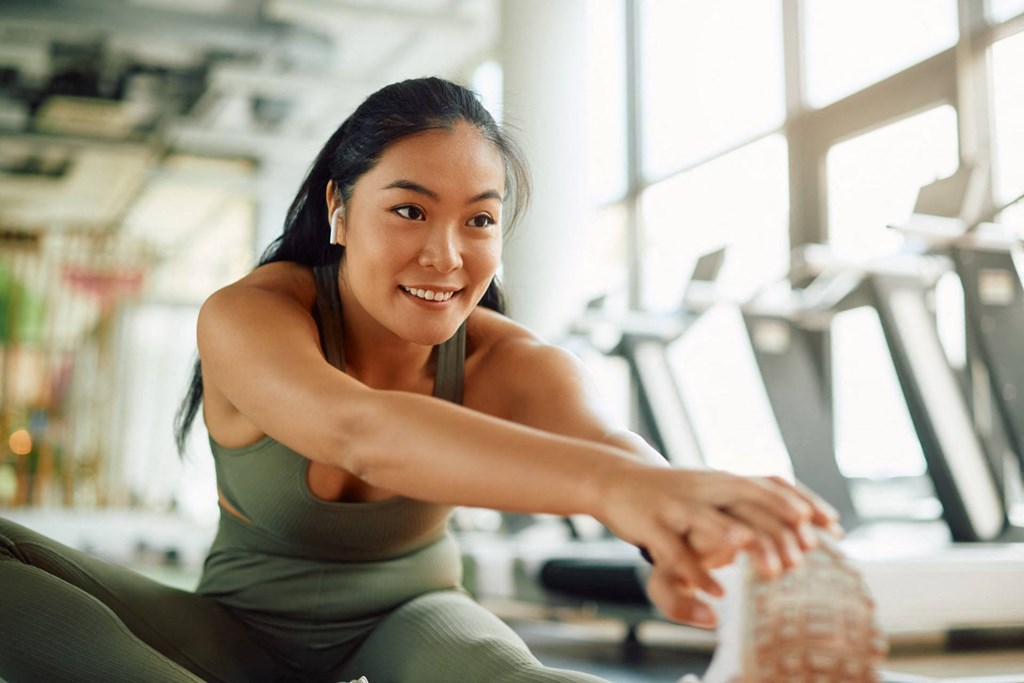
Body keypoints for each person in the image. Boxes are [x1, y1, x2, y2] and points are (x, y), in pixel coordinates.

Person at [0, 76, 842, 683]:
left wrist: (679, 526)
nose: (446, 254)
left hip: (411, 620)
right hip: (229, 631)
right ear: (338, 208)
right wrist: (612, 488)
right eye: (409, 209)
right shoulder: (249, 315)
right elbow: (355, 428)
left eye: (479, 219)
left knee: (502, 673)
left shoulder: (506, 358)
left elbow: (610, 444)